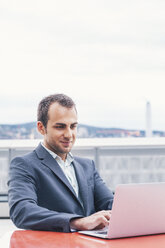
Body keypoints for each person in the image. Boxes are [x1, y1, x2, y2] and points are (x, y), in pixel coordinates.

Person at [8, 94, 114, 232]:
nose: (69, 134)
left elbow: (110, 204)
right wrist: (77, 222)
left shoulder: (87, 166)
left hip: (92, 243)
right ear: (41, 128)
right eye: (60, 127)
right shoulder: (24, 165)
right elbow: (22, 211)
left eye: (73, 126)